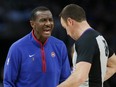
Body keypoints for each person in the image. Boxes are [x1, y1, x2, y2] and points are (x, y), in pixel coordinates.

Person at [3, 6, 71, 87]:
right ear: (32, 24)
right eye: (43, 20)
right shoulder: (17, 48)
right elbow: (8, 83)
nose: (48, 24)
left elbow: (66, 80)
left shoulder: (60, 46)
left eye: (50, 20)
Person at [57, 4, 116, 87]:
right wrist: (95, 81)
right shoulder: (98, 38)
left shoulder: (86, 40)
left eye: (65, 27)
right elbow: (114, 65)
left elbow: (79, 77)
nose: (67, 33)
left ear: (70, 21)